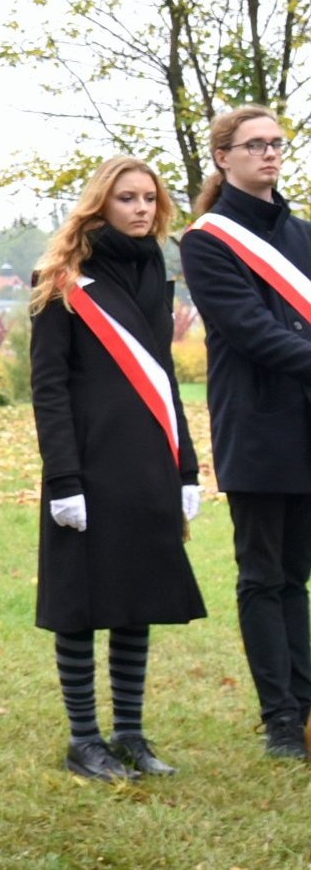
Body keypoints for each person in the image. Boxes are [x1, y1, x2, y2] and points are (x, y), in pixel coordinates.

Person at [29, 157, 207, 781]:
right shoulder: (61, 279)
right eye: (127, 198)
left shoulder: (157, 270)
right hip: (87, 466)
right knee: (81, 604)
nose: (140, 208)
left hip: (148, 464)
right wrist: (64, 481)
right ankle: (85, 741)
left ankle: (128, 733)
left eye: (149, 199)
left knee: (137, 598)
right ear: (100, 204)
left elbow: (163, 379)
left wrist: (186, 468)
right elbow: (48, 389)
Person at [179, 104, 311, 760]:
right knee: (263, 573)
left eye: (277, 144)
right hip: (258, 426)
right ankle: (281, 719)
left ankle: (306, 708)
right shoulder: (206, 240)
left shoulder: (305, 235)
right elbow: (249, 329)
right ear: (223, 157)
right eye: (254, 144)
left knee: (298, 574)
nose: (269, 154)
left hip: (308, 420)